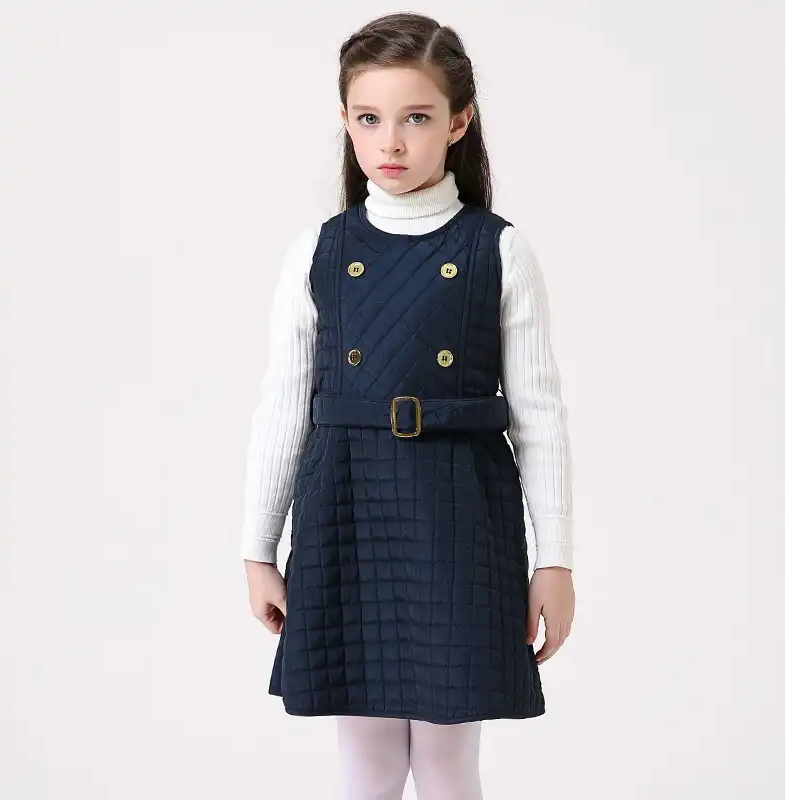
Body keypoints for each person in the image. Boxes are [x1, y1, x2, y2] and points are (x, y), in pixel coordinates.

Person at [239, 12, 575, 800]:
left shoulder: (498, 250)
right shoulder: (319, 250)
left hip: (459, 516)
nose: (390, 142)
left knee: (449, 762)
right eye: (369, 118)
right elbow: (283, 407)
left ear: (459, 123)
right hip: (348, 509)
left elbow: (540, 417)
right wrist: (257, 547)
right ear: (345, 121)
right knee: (366, 763)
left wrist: (554, 561)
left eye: (416, 118)